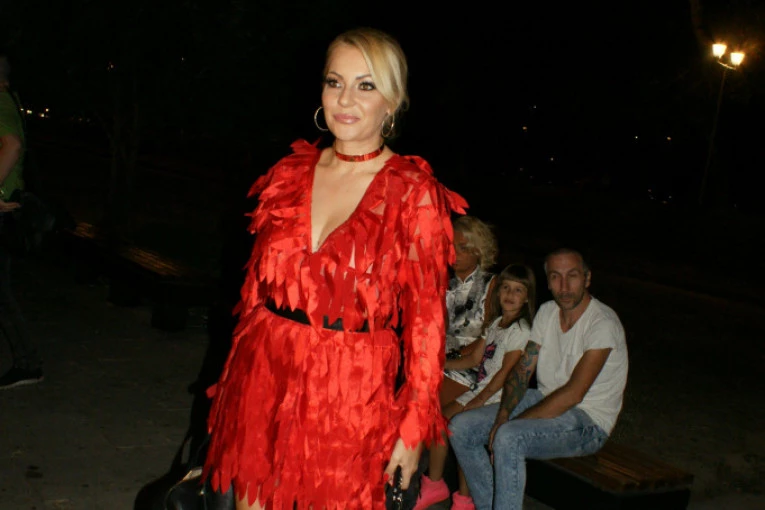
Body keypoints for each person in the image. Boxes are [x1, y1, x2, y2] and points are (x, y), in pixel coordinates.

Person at [201, 27, 468, 510]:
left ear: (393, 101)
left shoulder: (414, 193)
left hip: (350, 390)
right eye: (334, 82)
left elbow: (427, 323)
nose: (345, 99)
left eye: (366, 85)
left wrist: (413, 429)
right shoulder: (288, 174)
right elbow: (253, 294)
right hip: (263, 373)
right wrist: (233, 392)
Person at [449, 248, 628, 509]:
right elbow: (522, 372)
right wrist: (502, 415)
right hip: (544, 399)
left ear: (587, 278)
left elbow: (573, 394)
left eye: (572, 276)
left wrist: (510, 425)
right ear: (548, 282)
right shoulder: (547, 312)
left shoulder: (602, 324)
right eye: (555, 276)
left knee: (509, 438)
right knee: (460, 428)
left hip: (588, 421)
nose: (564, 286)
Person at [415, 264, 536, 510]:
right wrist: (439, 365)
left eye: (518, 290)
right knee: (439, 422)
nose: (510, 295)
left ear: (526, 298)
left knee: (457, 428)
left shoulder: (521, 331)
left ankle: (464, 498)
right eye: (505, 288)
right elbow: (473, 359)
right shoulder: (496, 323)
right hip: (480, 389)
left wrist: (476, 402)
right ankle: (436, 485)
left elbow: (505, 373)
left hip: (497, 397)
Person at [0, 52, 43, 389]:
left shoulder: (0, 100)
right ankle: (27, 362)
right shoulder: (9, 99)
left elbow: (12, 146)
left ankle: (28, 363)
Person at [441, 215, 498, 404]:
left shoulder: (491, 284)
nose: (454, 254)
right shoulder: (444, 284)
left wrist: (451, 357)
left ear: (478, 251)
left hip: (473, 365)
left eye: (463, 248)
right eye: (451, 247)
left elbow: (490, 337)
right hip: (441, 363)